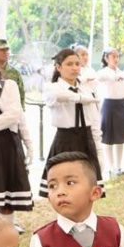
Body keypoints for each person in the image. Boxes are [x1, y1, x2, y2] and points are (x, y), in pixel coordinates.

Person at [40, 49, 104, 198]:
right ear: (58, 67)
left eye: (77, 64)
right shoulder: (52, 87)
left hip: (86, 138)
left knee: (88, 187)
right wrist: (80, 98)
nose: (75, 68)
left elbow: (94, 118)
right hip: (65, 140)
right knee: (65, 185)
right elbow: (59, 95)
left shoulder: (86, 88)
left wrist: (98, 148)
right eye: (69, 64)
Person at [0, 64, 33, 227]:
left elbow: (16, 114)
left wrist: (29, 143)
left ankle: (7, 232)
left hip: (5, 147)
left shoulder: (8, 86)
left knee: (6, 197)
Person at [97, 48, 124, 177]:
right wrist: (115, 77)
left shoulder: (122, 73)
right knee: (108, 138)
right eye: (113, 57)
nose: (116, 59)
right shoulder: (102, 72)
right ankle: (110, 168)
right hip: (109, 105)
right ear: (106, 58)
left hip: (121, 104)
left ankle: (118, 167)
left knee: (120, 138)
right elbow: (100, 78)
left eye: (117, 57)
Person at [0, 38, 25, 106]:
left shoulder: (15, 73)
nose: (6, 52)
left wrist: (21, 109)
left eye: (7, 49)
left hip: (10, 110)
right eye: (2, 50)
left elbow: (21, 95)